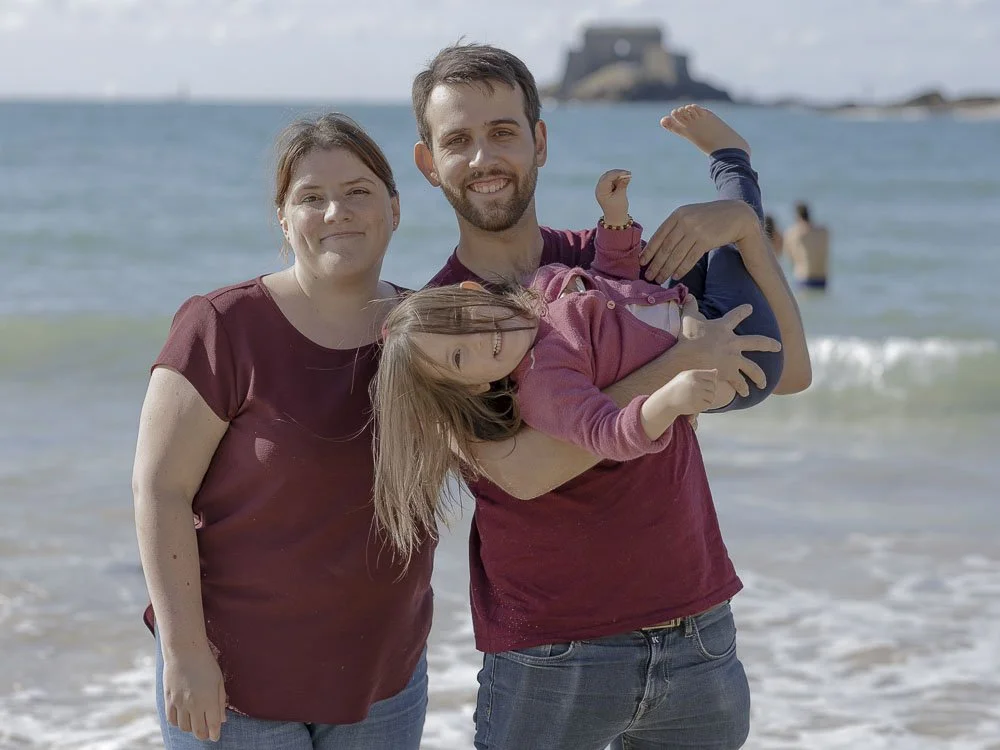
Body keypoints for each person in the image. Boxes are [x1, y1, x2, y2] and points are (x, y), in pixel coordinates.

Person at [409, 42, 811, 750]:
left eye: (502, 132)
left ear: (538, 142)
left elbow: (790, 368)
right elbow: (523, 471)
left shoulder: (614, 256)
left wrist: (746, 231)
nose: (482, 158)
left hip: (697, 634)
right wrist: (680, 363)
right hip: (551, 658)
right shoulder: (442, 327)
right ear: (428, 162)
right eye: (458, 141)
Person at [131, 114, 434, 749]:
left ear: (395, 208)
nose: (336, 212)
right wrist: (186, 655)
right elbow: (160, 492)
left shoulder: (428, 333)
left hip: (384, 679)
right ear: (283, 217)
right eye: (311, 197)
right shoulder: (222, 327)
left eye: (357, 192)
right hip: (234, 684)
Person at [374, 164, 774, 562]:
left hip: (689, 310)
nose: (478, 339)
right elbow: (608, 433)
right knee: (734, 242)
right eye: (459, 357)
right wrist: (669, 397)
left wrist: (615, 219)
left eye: (463, 322)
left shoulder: (543, 284)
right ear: (473, 387)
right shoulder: (544, 387)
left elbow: (611, 279)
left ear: (472, 292)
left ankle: (736, 191)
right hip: (734, 355)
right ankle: (732, 165)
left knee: (706, 235)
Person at [783, 200, 830, 288]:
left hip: (803, 278)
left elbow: (789, 256)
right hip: (822, 278)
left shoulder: (793, 233)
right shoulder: (824, 231)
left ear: (797, 216)